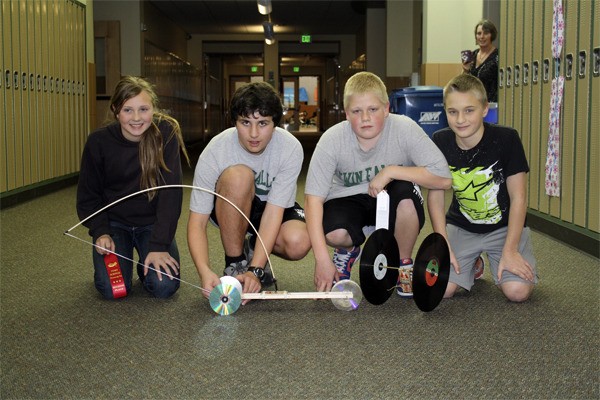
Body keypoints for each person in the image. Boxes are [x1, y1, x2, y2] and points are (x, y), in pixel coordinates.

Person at [304, 71, 452, 295]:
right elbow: (312, 200)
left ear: (386, 109)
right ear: (346, 114)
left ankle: (403, 264)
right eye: (356, 111)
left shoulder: (405, 128)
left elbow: (444, 179)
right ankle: (347, 249)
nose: (365, 118)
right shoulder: (332, 140)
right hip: (349, 199)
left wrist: (392, 171)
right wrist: (322, 259)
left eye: (373, 110)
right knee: (334, 232)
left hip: (391, 196)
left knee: (406, 195)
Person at [187, 82, 311, 302]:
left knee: (298, 241)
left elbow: (274, 212)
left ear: (275, 124)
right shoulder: (216, 150)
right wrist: (204, 270)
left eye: (263, 123)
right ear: (234, 122)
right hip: (231, 204)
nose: (254, 134)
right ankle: (235, 262)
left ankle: (253, 247)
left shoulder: (290, 148)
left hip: (272, 207)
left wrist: (256, 270)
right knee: (239, 176)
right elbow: (197, 222)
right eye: (245, 122)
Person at [77, 76, 190, 299]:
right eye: (128, 110)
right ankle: (122, 257)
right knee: (113, 290)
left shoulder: (165, 133)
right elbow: (88, 196)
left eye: (143, 109)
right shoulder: (98, 142)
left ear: (153, 109)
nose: (136, 118)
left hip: (152, 224)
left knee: (164, 287)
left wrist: (158, 245)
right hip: (114, 224)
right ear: (115, 111)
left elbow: (171, 194)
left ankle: (145, 262)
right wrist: (100, 231)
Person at [429, 74, 537, 302]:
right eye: (452, 111)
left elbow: (519, 198)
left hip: (503, 228)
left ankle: (496, 254)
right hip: (462, 226)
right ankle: (473, 262)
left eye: (469, 110)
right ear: (445, 111)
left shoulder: (506, 139)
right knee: (442, 290)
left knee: (517, 293)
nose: (460, 119)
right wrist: (442, 243)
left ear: (485, 109)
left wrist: (511, 250)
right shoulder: (440, 141)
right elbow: (436, 196)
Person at [462, 19, 499, 103]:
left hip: (491, 104)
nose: (482, 36)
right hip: (473, 103)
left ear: (492, 35)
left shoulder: (498, 56)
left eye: (486, 33)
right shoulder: (472, 55)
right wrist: (465, 70)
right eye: (479, 33)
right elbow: (464, 82)